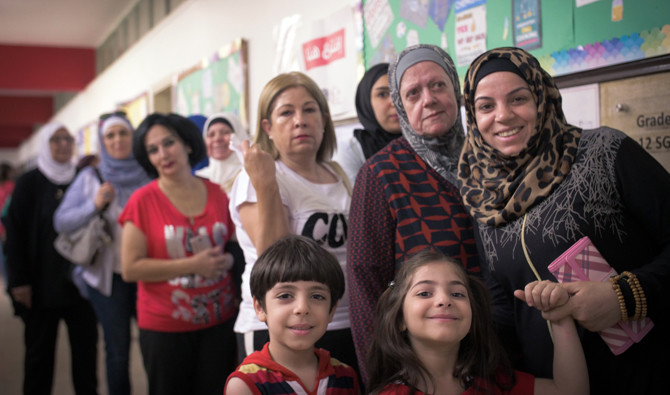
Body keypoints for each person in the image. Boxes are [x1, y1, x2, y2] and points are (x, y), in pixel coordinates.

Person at [457, 47, 670, 394]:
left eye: (518, 98)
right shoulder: (483, 199)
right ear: (472, 115)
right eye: (486, 106)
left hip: (647, 374)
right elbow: (502, 306)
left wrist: (623, 298)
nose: (503, 115)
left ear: (542, 98)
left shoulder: (604, 151)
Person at [347, 44, 480, 382]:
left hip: (499, 350)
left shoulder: (489, 159)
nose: (429, 99)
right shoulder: (380, 174)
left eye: (438, 85)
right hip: (422, 367)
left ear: (456, 89)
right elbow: (365, 283)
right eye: (413, 93)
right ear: (401, 105)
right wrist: (381, 376)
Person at [229, 71, 357, 372]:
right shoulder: (257, 177)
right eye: (286, 112)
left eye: (309, 109)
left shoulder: (339, 174)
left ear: (324, 120)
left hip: (341, 320)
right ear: (268, 127)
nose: (300, 120)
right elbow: (275, 260)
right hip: (278, 326)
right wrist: (266, 182)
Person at [119, 113, 238, 395]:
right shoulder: (142, 200)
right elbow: (130, 268)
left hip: (220, 321)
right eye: (153, 149)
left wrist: (228, 260)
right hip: (164, 327)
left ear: (186, 143)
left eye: (169, 143)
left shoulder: (218, 193)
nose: (163, 154)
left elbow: (235, 247)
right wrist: (192, 265)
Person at [367, 250, 588, 395]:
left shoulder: (494, 382)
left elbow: (571, 390)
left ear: (472, 317)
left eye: (458, 294)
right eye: (425, 293)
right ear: (399, 320)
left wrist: (559, 313)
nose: (444, 300)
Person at [54, 114, 150, 395]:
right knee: (117, 350)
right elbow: (61, 221)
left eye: (123, 133)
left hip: (149, 274)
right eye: (110, 135)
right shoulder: (90, 177)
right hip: (108, 280)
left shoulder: (149, 172)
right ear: (102, 141)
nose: (118, 140)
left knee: (155, 347)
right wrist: (94, 205)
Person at [5, 123, 98, 394]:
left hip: (80, 285)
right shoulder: (28, 182)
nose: (63, 144)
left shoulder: (83, 177)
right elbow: (15, 234)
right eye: (56, 140)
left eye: (68, 139)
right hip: (40, 286)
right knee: (38, 358)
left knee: (86, 357)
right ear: (45, 145)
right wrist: (18, 281)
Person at [225, 235, 359, 395]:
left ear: (332, 310)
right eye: (285, 296)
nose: (302, 308)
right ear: (260, 307)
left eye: (317, 296)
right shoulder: (245, 384)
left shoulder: (345, 376)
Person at [334, 63, 401, 185]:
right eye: (382, 94)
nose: (394, 102)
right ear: (366, 102)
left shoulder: (427, 142)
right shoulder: (352, 151)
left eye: (399, 92)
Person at [195, 112, 250, 194]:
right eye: (211, 134)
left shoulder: (250, 175)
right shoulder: (199, 179)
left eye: (225, 132)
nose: (217, 139)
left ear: (239, 136)